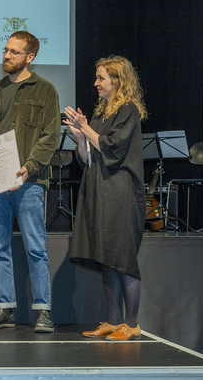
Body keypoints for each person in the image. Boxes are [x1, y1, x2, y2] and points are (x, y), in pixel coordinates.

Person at [0, 31, 61, 333]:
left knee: (36, 248)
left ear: (29, 57)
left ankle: (43, 310)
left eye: (14, 52)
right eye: (5, 50)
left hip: (30, 182)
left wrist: (29, 167)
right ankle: (5, 307)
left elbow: (51, 136)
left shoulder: (45, 90)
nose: (6, 56)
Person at [62, 55, 147, 341]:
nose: (96, 83)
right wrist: (80, 138)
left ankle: (132, 324)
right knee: (106, 258)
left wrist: (85, 128)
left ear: (117, 80)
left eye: (101, 78)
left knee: (122, 257)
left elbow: (112, 147)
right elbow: (89, 159)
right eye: (97, 78)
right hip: (98, 188)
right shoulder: (102, 113)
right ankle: (113, 321)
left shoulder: (129, 111)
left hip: (120, 192)